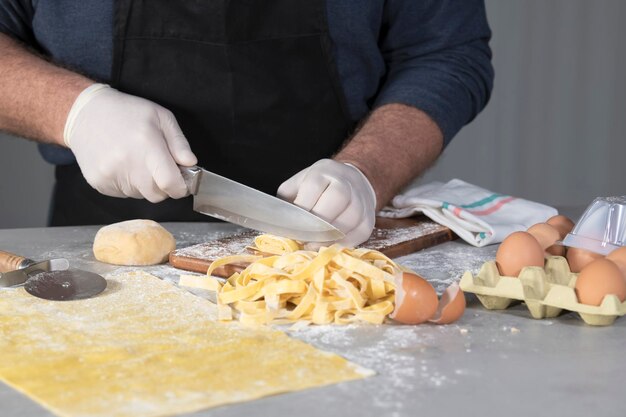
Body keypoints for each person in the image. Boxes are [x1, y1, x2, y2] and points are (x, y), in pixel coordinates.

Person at [0, 1, 493, 247]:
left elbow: (445, 50)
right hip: (103, 252)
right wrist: (75, 111)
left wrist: (368, 173)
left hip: (328, 246)